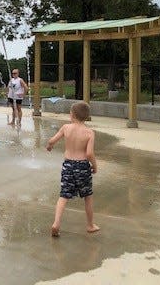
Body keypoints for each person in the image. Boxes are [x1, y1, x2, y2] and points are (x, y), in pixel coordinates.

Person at [46, 101, 100, 237]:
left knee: (64, 195)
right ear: (86, 117)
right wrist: (94, 165)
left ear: (71, 115)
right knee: (87, 196)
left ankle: (56, 223)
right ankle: (90, 225)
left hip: (68, 165)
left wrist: (50, 147)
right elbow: (89, 154)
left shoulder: (66, 128)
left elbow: (52, 140)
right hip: (82, 166)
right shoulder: (89, 132)